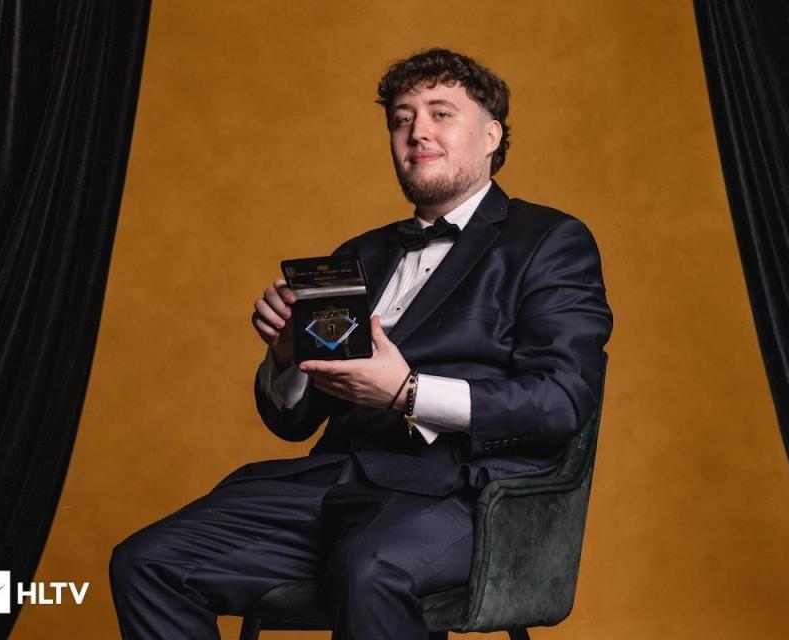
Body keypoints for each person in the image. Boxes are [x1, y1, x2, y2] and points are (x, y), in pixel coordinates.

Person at [110, 47, 612, 640]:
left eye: (440, 113)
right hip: (333, 483)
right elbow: (293, 422)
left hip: (466, 495)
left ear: (491, 136)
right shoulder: (359, 254)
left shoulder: (549, 240)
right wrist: (287, 356)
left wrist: (409, 392)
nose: (417, 131)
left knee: (368, 569)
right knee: (147, 561)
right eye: (402, 119)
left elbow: (560, 401)